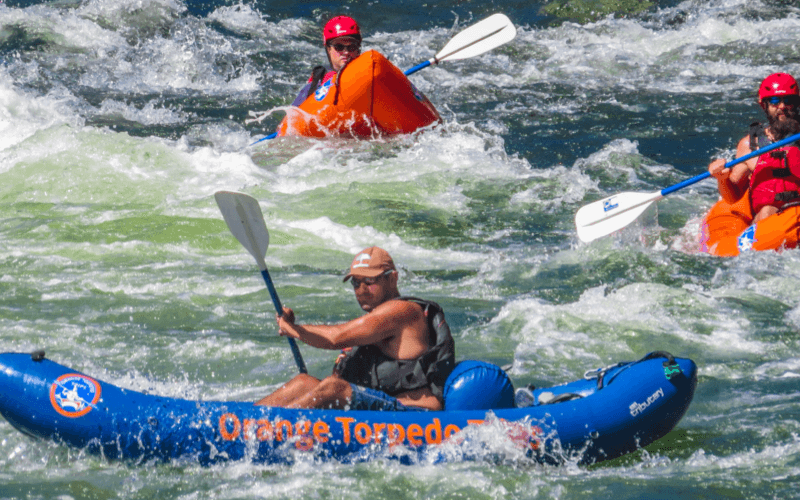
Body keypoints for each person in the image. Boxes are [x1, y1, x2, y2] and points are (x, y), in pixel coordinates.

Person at [254, 246, 455, 411]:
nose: (361, 290)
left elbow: (336, 338)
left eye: (369, 281)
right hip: (378, 407)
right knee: (304, 382)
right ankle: (242, 421)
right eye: (356, 283)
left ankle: (267, 428)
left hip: (413, 414)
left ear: (392, 278)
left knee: (334, 389)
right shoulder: (374, 321)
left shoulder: (402, 311)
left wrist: (293, 328)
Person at [708, 72, 800, 223]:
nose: (782, 107)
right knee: (767, 212)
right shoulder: (749, 145)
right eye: (775, 101)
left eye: (788, 100)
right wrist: (722, 179)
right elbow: (734, 197)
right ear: (764, 105)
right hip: (769, 222)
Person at [290, 15, 363, 106]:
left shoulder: (369, 73)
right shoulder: (317, 83)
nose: (346, 52)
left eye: (351, 47)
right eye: (339, 47)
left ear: (358, 49)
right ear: (328, 49)